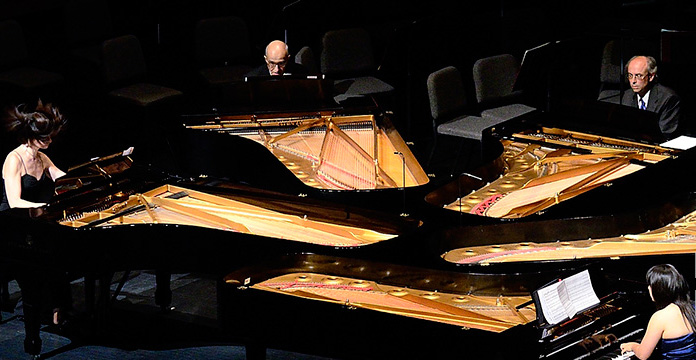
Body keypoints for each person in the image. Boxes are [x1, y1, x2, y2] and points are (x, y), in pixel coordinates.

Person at [0, 99, 72, 358]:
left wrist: (92, 179)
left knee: (63, 248)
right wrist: (45, 204)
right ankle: (38, 312)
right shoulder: (14, 159)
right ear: (30, 136)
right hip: (13, 225)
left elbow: (63, 179)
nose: (49, 142)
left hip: (37, 222)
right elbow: (15, 201)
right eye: (44, 139)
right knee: (42, 257)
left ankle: (57, 309)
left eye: (50, 139)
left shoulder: (43, 157)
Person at [620, 264, 696, 359]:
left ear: (660, 289)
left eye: (651, 285)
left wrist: (632, 346)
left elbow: (643, 355)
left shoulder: (660, 317)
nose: (648, 288)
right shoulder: (693, 307)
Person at [621, 55, 682, 139]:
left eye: (638, 76)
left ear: (651, 76)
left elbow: (665, 135)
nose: (633, 81)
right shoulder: (627, 95)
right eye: (630, 75)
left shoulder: (668, 98)